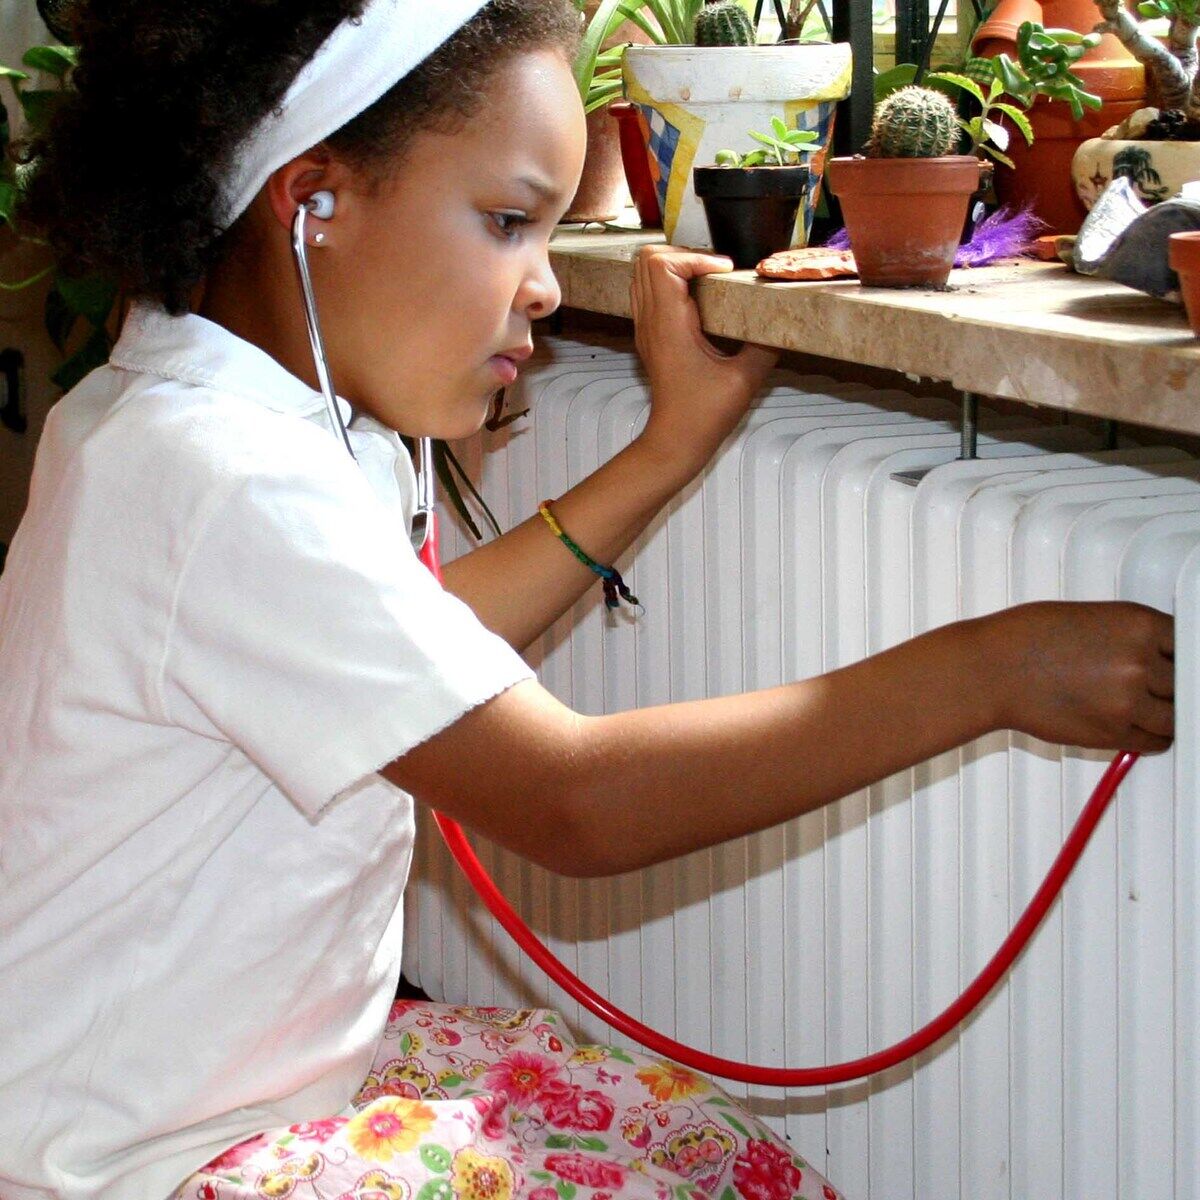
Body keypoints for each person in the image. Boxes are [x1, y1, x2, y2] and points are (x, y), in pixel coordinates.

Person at [0, 1, 1175, 1198]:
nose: (547, 288)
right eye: (509, 222)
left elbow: (424, 650)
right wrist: (989, 671)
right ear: (314, 203)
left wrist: (664, 452)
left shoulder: (193, 414)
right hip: (137, 1163)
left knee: (673, 1142)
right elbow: (578, 803)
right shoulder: (220, 480)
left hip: (244, 1095)